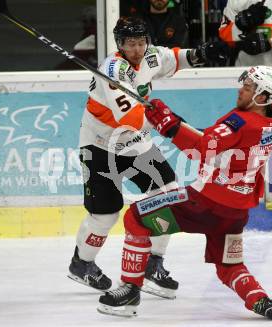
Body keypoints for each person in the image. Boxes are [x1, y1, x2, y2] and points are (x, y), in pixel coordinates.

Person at [96, 50, 272, 320]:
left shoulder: (240, 123)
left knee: (135, 218)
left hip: (204, 204)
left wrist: (168, 125)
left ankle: (129, 290)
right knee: (228, 264)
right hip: (235, 213)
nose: (241, 91)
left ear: (263, 97)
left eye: (249, 88)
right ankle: (260, 300)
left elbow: (200, 148)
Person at [67, 15, 229, 299]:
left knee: (167, 194)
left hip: (136, 144)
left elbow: (175, 58)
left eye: (141, 42)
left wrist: (201, 53)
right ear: (120, 44)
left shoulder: (151, 55)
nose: (137, 49)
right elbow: (129, 117)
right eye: (130, 44)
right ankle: (82, 263)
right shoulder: (113, 71)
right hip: (100, 145)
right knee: (105, 215)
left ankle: (154, 263)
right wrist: (168, 123)